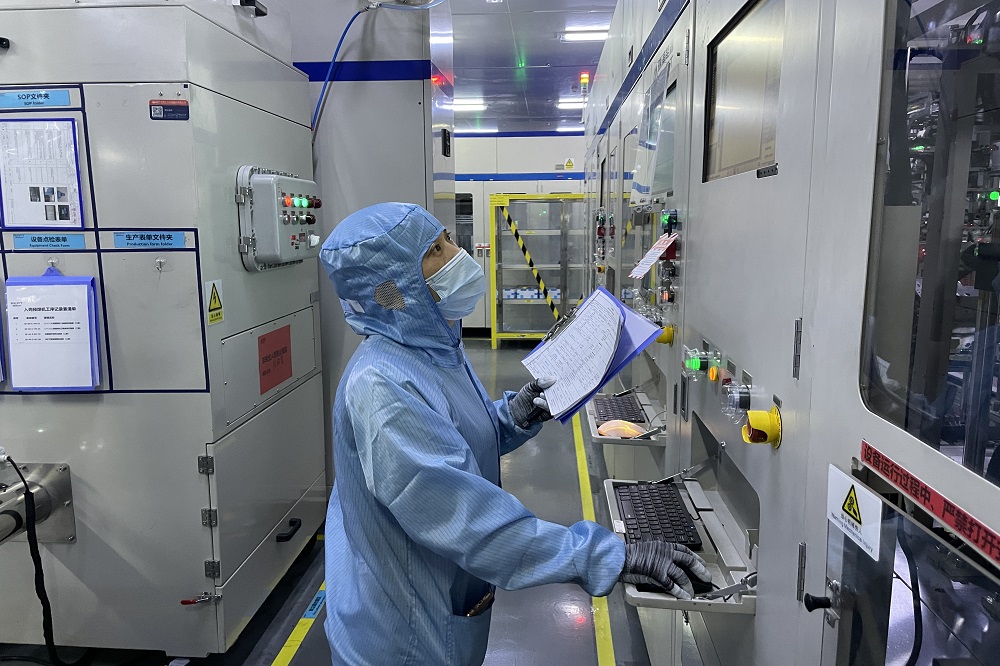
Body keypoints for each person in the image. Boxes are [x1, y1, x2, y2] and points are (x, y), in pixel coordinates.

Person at [320, 202, 711, 665]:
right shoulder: (380, 386)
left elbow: (451, 438)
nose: (458, 254)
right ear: (392, 288)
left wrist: (512, 416)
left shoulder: (433, 346)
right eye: (435, 250)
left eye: (448, 238)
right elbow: (467, 520)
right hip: (401, 638)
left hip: (435, 604)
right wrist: (608, 556)